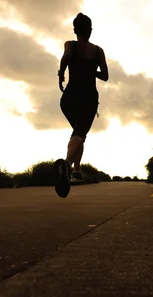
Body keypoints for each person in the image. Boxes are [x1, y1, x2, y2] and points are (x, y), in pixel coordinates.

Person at [56, 13, 109, 189]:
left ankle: (77, 172)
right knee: (79, 134)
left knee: (78, 134)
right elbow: (105, 76)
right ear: (90, 30)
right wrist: (91, 70)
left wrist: (61, 73)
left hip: (69, 97)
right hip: (88, 97)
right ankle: (67, 164)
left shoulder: (70, 45)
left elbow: (66, 57)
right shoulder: (98, 51)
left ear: (75, 30)